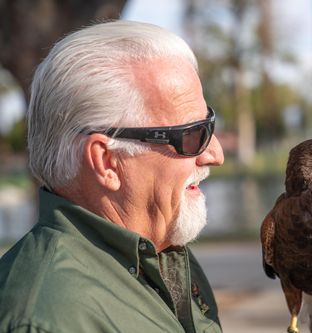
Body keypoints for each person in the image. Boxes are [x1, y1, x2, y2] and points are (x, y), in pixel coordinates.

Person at [0, 20, 224, 333]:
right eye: (191, 135)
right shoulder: (46, 319)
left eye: (209, 124)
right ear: (106, 162)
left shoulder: (161, 257)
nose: (215, 154)